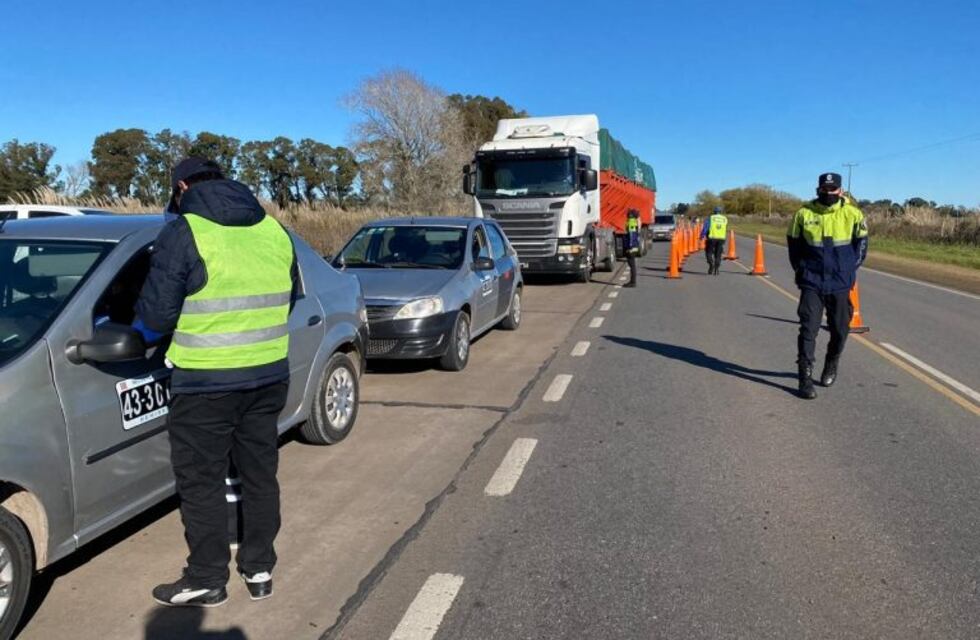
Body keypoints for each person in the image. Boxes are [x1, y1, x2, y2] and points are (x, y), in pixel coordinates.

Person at [136, 157, 298, 607]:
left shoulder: (185, 231)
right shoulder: (273, 229)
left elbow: (154, 316)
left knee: (201, 482)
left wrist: (138, 336)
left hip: (205, 382)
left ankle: (207, 578)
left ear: (182, 186)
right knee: (260, 474)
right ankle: (260, 568)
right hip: (268, 375)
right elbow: (290, 298)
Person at [787, 172, 868, 399]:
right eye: (824, 189)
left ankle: (831, 363)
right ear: (818, 189)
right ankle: (805, 377)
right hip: (812, 281)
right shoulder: (803, 214)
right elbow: (793, 246)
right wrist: (801, 270)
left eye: (833, 189)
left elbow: (861, 246)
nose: (828, 193)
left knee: (840, 330)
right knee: (808, 329)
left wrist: (849, 269)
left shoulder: (853, 214)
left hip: (840, 283)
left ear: (840, 191)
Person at [701, 206, 728, 275]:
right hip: (721, 238)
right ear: (720, 212)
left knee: (708, 252)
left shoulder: (711, 218)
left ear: (714, 211)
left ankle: (711, 264)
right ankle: (717, 269)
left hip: (712, 238)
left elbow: (706, 228)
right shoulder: (725, 219)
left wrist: (702, 235)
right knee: (718, 254)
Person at [624, 209, 641, 287]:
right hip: (634, 246)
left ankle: (633, 282)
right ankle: (632, 281)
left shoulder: (631, 222)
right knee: (632, 265)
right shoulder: (636, 221)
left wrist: (630, 247)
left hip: (631, 247)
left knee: (632, 265)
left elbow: (631, 235)